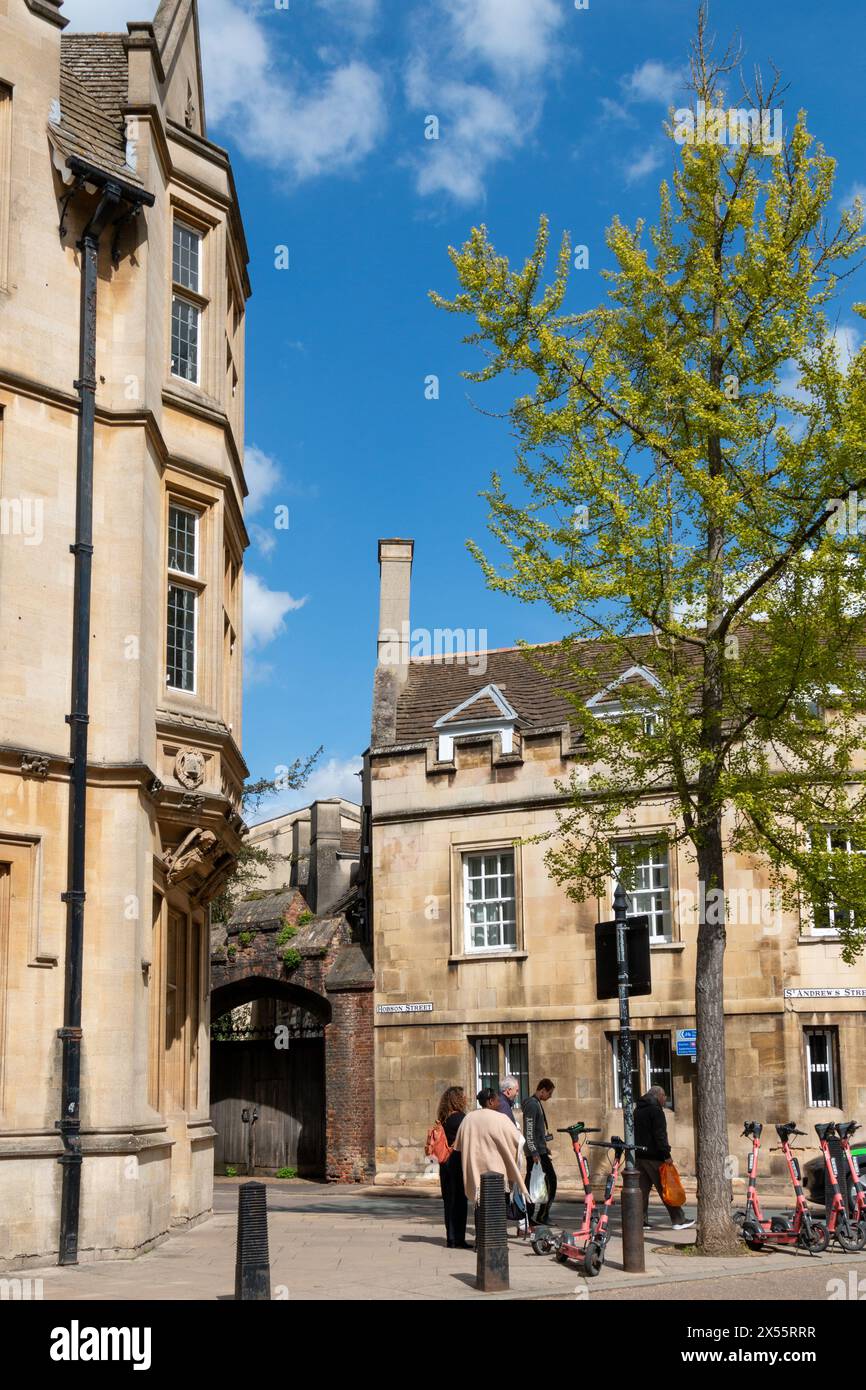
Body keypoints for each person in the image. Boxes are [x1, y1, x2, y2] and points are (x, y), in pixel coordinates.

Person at [634, 1085, 695, 1231]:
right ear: (658, 1096)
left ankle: (638, 1221)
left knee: (641, 1190)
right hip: (655, 1156)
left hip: (639, 1155)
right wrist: (666, 1155)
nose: (665, 1099)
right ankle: (678, 1220)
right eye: (664, 1096)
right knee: (666, 1187)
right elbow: (660, 1135)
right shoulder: (655, 1111)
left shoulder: (638, 1110)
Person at [453, 1097, 528, 1207]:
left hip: (476, 1172)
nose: (499, 1103)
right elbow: (519, 1140)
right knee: (496, 1210)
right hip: (497, 1173)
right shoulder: (501, 1118)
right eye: (497, 1100)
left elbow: (458, 1146)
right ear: (490, 1101)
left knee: (481, 1209)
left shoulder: (469, 1117)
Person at [436, 1086, 470, 1248]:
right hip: (457, 1161)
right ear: (458, 1099)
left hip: (445, 1163)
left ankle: (451, 1237)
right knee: (460, 1201)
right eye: (463, 1096)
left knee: (448, 1200)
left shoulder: (444, 1118)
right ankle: (458, 1238)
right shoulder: (462, 1118)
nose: (466, 1099)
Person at [523, 1078, 556, 1227]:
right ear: (542, 1090)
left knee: (534, 1183)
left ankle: (533, 1216)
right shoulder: (532, 1105)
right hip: (536, 1153)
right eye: (549, 1093)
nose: (550, 1096)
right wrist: (534, 1151)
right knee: (549, 1182)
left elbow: (536, 1131)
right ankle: (540, 1215)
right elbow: (529, 1131)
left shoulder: (536, 1104)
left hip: (540, 1150)